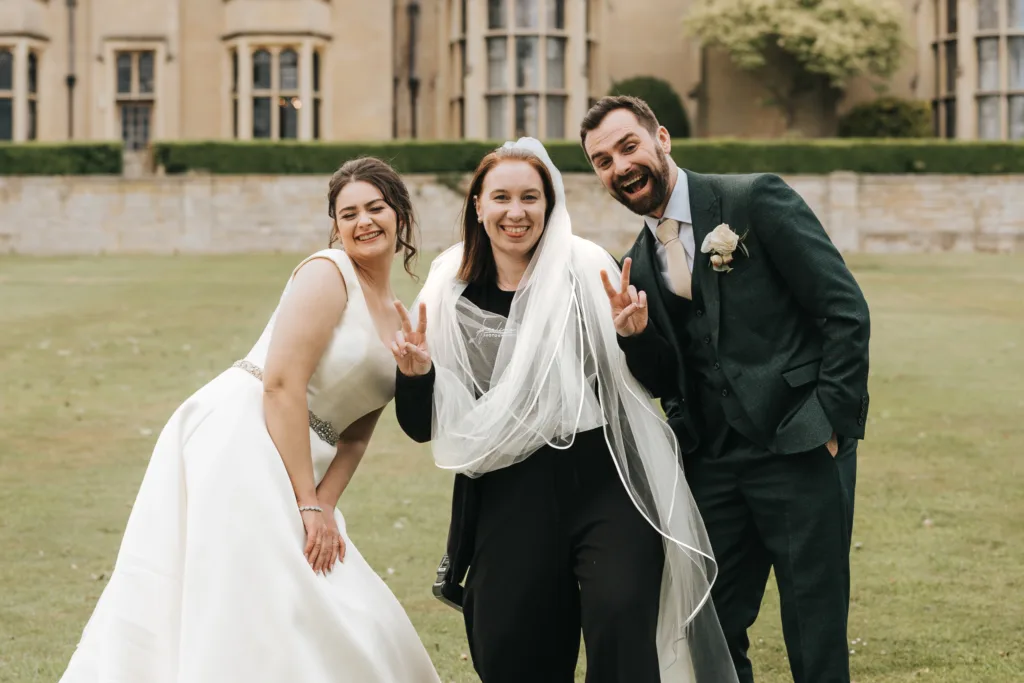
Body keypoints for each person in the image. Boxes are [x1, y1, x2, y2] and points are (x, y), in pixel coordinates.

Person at [59, 157, 441, 683]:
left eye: (375, 208)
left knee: (324, 582)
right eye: (348, 212)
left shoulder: (397, 311)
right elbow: (281, 384)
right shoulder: (327, 273)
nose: (363, 222)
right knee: (260, 589)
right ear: (336, 224)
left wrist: (325, 505)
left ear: (399, 215)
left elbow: (356, 434)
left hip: (305, 454)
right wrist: (306, 501)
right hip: (245, 432)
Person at [390, 138, 737, 683]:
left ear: (549, 206)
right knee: (511, 646)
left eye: (531, 197)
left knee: (622, 620)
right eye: (500, 197)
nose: (516, 211)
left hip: (603, 479)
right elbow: (419, 426)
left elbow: (660, 380)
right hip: (507, 491)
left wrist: (636, 336)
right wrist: (415, 376)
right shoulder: (450, 290)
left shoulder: (585, 269)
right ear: (477, 206)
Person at [581, 95, 869, 683]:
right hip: (713, 463)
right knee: (709, 626)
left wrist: (831, 425)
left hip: (801, 446)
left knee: (814, 630)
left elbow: (844, 310)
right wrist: (636, 337)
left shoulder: (752, 199)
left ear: (661, 138)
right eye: (603, 161)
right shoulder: (634, 260)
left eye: (628, 146)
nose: (620, 167)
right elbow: (668, 377)